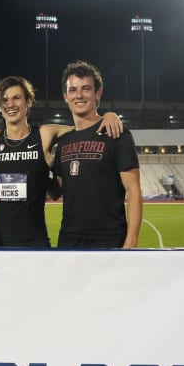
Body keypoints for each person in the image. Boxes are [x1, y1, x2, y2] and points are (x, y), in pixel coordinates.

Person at [0, 75, 123, 247]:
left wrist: (108, 115)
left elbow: (84, 127)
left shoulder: (45, 134)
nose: (10, 104)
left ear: (28, 102)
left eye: (16, 98)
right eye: (4, 100)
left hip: (35, 241)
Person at [51, 60, 142, 248]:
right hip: (69, 238)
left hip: (109, 238)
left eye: (86, 89)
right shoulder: (64, 141)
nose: (79, 95)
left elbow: (133, 190)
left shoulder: (116, 133)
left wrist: (131, 240)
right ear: (65, 96)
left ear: (97, 93)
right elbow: (55, 192)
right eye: (73, 90)